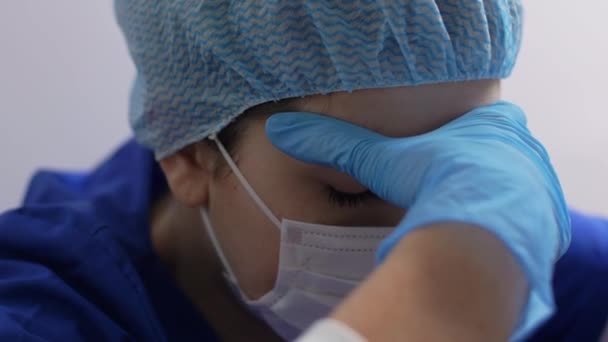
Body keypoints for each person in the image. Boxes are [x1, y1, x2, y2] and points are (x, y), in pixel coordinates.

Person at [0, 0, 606, 341]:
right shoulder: (42, 310)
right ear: (188, 154)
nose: (425, 228)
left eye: (462, 162)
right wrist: (447, 300)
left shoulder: (527, 253)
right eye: (354, 191)